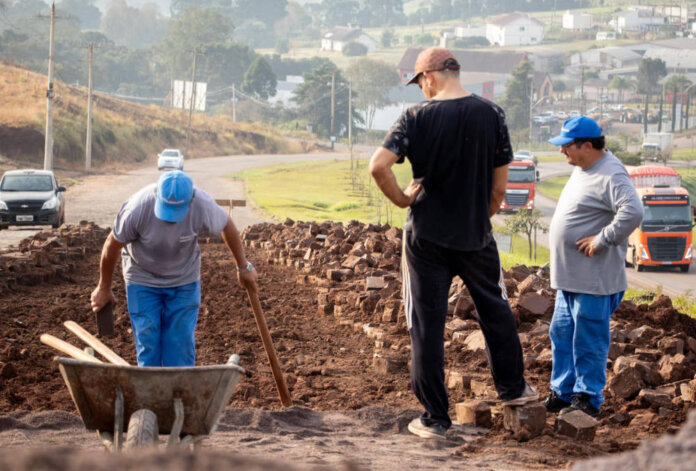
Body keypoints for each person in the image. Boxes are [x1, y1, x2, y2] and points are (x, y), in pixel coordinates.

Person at [369, 46, 538, 440]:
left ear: (429, 76)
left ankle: (435, 419)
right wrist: (479, 216)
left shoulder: (415, 118)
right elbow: (500, 187)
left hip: (425, 236)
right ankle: (512, 390)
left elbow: (378, 165)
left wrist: (401, 198)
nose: (421, 89)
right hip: (475, 234)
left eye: (419, 82)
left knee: (426, 322)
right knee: (494, 310)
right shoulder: (491, 114)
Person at [90, 170, 258, 367]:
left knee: (179, 342)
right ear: (157, 197)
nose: (169, 219)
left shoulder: (202, 203)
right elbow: (111, 246)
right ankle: (151, 393)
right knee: (148, 339)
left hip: (184, 279)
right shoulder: (138, 207)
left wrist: (243, 267)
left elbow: (227, 226)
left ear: (190, 201)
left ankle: (180, 391)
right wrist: (103, 287)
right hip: (142, 277)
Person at [545, 116, 642, 417]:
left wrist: (603, 238)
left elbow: (633, 211)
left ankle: (588, 398)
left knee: (588, 340)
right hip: (570, 279)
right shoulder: (585, 167)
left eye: (567, 146)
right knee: (561, 334)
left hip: (594, 281)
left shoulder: (611, 173)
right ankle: (563, 392)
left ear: (587, 145)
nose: (563, 152)